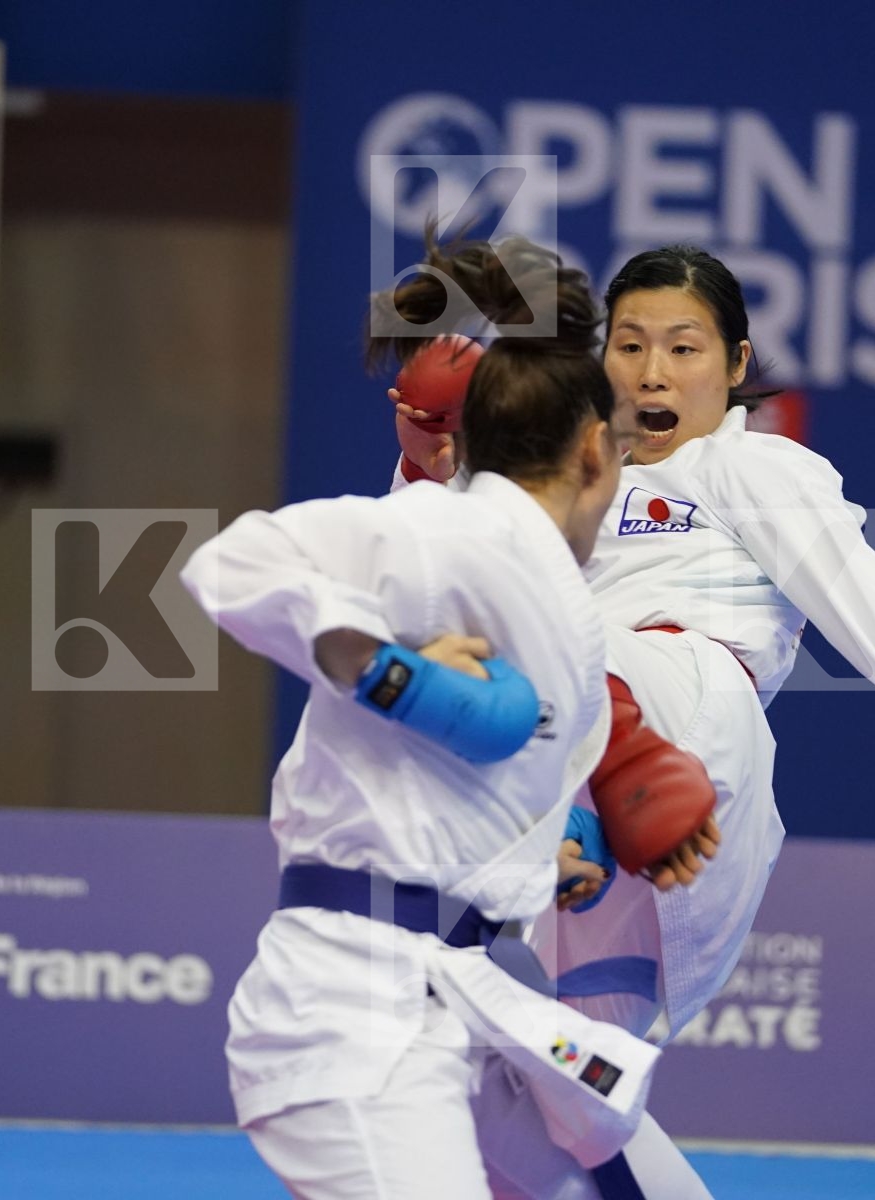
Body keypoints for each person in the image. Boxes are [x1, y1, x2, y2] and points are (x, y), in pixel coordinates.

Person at [393, 244, 875, 1199]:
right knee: (558, 1107)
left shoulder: (754, 465)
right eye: (628, 345)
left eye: (684, 347)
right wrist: (426, 465)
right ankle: (563, 822)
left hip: (693, 726)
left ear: (738, 366)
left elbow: (871, 609)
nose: (652, 371)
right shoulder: (562, 470)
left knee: (556, 643)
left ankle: (574, 808)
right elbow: (430, 598)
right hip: (583, 792)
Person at [182, 238, 708, 1200]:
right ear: (597, 449)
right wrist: (388, 675)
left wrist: (554, 856)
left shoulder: (566, 611)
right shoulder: (456, 535)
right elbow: (232, 567)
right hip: (353, 1013)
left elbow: (494, 785)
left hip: (467, 993)